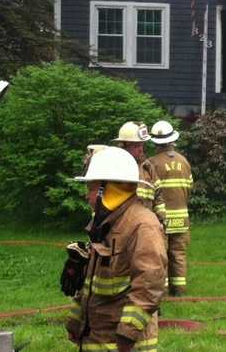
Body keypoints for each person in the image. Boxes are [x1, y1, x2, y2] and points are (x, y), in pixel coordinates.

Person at [64, 146, 166, 351]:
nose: (87, 196)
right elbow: (91, 283)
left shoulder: (142, 225)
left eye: (90, 189)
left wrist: (127, 334)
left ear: (108, 190)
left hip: (124, 344)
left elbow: (149, 285)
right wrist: (75, 322)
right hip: (98, 337)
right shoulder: (106, 224)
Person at [147, 120, 194, 295]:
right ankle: (179, 289)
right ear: (172, 140)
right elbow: (189, 187)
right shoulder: (184, 161)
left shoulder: (151, 163)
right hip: (181, 217)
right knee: (178, 254)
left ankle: (162, 291)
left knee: (161, 254)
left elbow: (149, 192)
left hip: (161, 217)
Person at [115, 122, 167, 226]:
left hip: (147, 226)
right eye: (136, 146)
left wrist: (161, 221)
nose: (141, 149)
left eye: (142, 145)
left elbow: (158, 197)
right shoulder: (115, 167)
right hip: (122, 227)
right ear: (124, 146)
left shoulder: (147, 167)